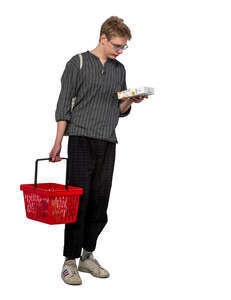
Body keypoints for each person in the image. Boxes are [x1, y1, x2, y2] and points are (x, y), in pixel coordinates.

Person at [49, 16, 148, 285]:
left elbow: (119, 111)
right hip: (81, 138)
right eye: (117, 45)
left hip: (108, 140)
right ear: (103, 38)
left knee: (100, 201)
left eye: (124, 47)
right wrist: (58, 142)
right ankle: (69, 261)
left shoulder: (119, 69)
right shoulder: (77, 63)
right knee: (77, 201)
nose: (120, 50)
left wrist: (129, 100)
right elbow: (63, 106)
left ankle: (88, 255)